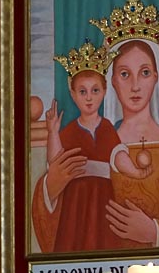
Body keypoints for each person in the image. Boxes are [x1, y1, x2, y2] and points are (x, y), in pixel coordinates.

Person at [32, 0, 159, 250]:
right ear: (111, 81)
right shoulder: (93, 144)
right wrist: (51, 187)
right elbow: (60, 230)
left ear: (157, 77)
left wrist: (154, 232)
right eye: (124, 74)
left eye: (144, 72)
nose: (135, 85)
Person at [38, 40, 151, 252]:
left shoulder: (107, 127)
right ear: (73, 94)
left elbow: (117, 155)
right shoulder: (69, 131)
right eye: (83, 92)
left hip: (103, 199)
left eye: (95, 90)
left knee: (103, 242)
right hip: (76, 200)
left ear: (104, 91)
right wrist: (52, 132)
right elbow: (55, 162)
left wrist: (135, 172)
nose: (89, 98)